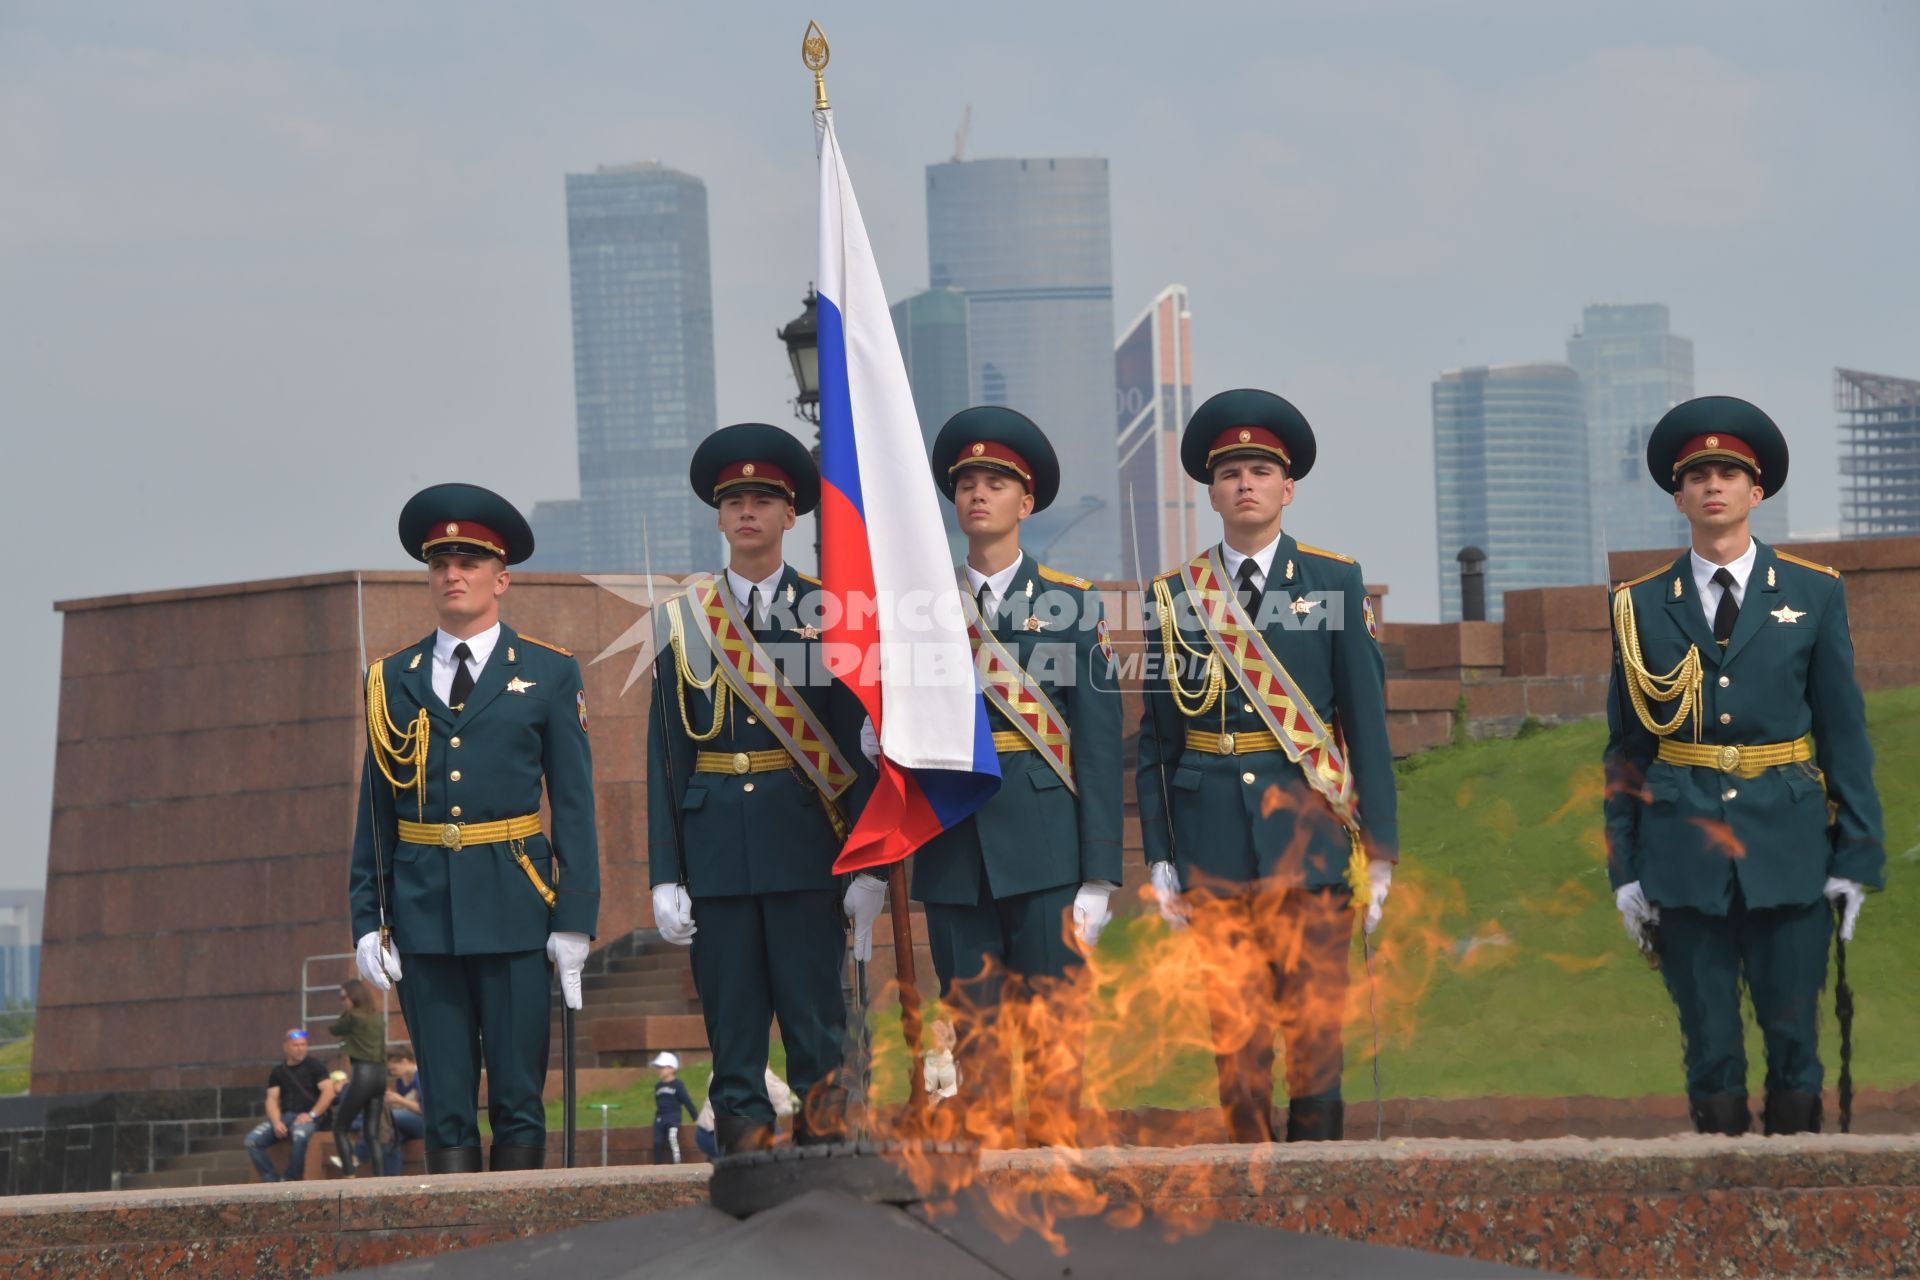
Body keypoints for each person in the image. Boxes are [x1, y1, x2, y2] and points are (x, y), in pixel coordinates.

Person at [1604, 396, 1884, 1137]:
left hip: (1787, 847)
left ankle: (1796, 1221)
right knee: (1711, 1053)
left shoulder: (1812, 593)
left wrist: (1855, 854)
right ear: (1679, 494)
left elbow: (1843, 732)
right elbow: (1627, 751)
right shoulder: (1637, 606)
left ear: (1756, 493)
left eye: (1729, 473)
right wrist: (1625, 868)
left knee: (1796, 1047)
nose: (1713, 486)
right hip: (1682, 851)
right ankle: (1718, 1213)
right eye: (1698, 475)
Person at [1136, 388, 1398, 1144]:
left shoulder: (1334, 581)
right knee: (1237, 1045)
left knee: (1315, 1041)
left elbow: (1366, 727)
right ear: (1211, 492)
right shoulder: (1174, 596)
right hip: (1210, 846)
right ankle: (1247, 1202)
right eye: (1230, 473)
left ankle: (1320, 1203)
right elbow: (1155, 743)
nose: (1244, 484)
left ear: (1288, 487)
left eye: (1260, 470)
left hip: (1311, 842)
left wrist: (1378, 854)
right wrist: (1159, 855)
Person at [348, 483, 600, 1173]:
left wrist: (576, 916)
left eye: (469, 562)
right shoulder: (390, 679)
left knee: (518, 1096)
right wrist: (367, 918)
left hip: (516, 903)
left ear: (501, 577)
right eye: (440, 564)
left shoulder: (547, 673)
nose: (452, 575)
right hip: (424, 912)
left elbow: (574, 803)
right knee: (447, 1101)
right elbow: (376, 812)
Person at [647, 424, 874, 1156]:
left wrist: (866, 861)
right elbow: (667, 757)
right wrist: (663, 876)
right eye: (735, 500)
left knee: (816, 1036)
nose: (748, 513)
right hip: (715, 858)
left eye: (764, 500)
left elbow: (857, 746)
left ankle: (827, 1184)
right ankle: (745, 1181)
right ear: (718, 516)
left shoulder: (830, 613)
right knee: (733, 1043)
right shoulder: (683, 623)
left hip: (808, 851)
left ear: (790, 515)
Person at [904, 407, 1121, 1145]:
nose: (977, 495)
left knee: (1058, 1054)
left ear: (1025, 503)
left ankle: (1064, 1216)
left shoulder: (1071, 606)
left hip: (1048, 857)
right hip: (954, 857)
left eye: (995, 483)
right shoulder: (920, 610)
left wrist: (1098, 874)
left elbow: (1096, 744)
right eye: (966, 482)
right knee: (978, 1055)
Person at [244, 1029, 338, 1182]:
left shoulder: (315, 1066)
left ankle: (290, 1178)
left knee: (299, 1135)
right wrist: (276, 1123)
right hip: (287, 1117)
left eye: (303, 1045)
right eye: (295, 1045)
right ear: (285, 1047)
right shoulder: (278, 1071)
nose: (300, 1048)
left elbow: (328, 1092)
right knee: (252, 1141)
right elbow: (272, 1100)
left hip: (311, 1118)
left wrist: (311, 1115)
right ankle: (271, 1179)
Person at [327, 978, 388, 1176]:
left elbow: (334, 1029)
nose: (342, 1001)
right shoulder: (378, 1017)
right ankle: (380, 1179)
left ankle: (349, 1174)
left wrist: (346, 1011)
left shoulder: (353, 1017)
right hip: (380, 1076)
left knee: (339, 1127)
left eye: (344, 997)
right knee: (372, 1134)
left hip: (363, 1074)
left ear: (353, 997)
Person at [381, 1047, 424, 1175]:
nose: (392, 1073)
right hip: (407, 1122)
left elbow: (423, 1109)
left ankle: (358, 1154)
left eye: (393, 1069)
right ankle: (392, 1178)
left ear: (404, 1061)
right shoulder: (401, 1080)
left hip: (424, 1122)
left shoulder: (420, 1076)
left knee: (385, 1118)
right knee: (390, 1135)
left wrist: (399, 1100)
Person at [650, 1052, 697, 1165]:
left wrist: (695, 1116)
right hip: (660, 1119)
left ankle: (677, 1164)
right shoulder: (658, 1086)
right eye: (657, 1068)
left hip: (673, 1118)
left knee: (672, 1139)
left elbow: (687, 1101)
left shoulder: (677, 1085)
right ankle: (658, 1164)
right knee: (657, 1142)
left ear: (672, 1069)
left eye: (662, 1067)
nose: (659, 1070)